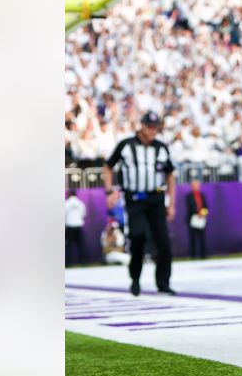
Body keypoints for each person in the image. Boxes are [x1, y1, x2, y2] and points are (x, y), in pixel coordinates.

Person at [103, 111, 177, 296]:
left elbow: (170, 175)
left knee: (163, 241)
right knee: (137, 237)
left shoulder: (161, 147)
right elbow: (108, 166)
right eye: (149, 127)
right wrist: (110, 190)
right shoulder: (126, 145)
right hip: (134, 199)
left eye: (155, 127)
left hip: (156, 199)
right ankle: (135, 278)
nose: (152, 131)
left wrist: (172, 203)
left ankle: (163, 283)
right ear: (142, 126)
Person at [184, 180, 208, 260]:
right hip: (193, 219)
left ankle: (203, 255)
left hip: (201, 219)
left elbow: (205, 206)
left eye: (197, 186)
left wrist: (202, 213)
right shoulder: (189, 196)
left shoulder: (202, 195)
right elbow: (190, 207)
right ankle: (193, 255)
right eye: (194, 186)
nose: (196, 187)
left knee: (202, 237)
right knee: (193, 238)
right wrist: (197, 213)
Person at [65, 189, 87, 266]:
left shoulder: (66, 203)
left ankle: (68, 263)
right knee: (81, 245)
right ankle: (83, 262)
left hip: (70, 226)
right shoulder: (80, 203)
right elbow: (83, 214)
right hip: (78, 225)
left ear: (69, 194)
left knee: (69, 246)